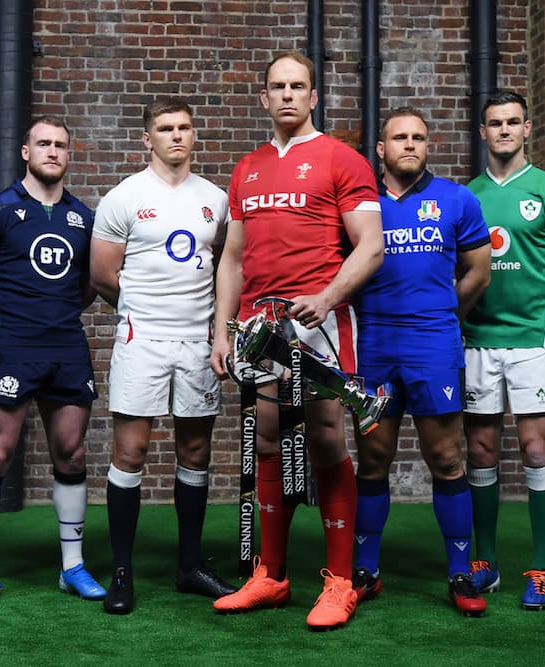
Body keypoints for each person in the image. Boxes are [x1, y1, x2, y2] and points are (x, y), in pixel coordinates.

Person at [210, 52, 385, 631]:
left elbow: (371, 246)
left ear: (313, 96)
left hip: (319, 322)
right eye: (277, 87)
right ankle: (272, 575)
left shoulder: (342, 159)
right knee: (266, 439)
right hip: (259, 326)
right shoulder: (247, 168)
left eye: (298, 86)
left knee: (326, 436)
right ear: (264, 98)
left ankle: (340, 582)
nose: (287, 95)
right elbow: (232, 259)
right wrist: (222, 329)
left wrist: (329, 297)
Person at [0, 116, 107, 616]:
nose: (52, 151)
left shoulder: (83, 218)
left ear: (69, 154)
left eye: (60, 145)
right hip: (11, 346)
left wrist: (52, 316)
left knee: (72, 454)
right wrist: (12, 321)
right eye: (43, 143)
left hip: (66, 347)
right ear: (25, 151)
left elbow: (88, 286)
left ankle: (72, 566)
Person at [90, 96, 236, 615]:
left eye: (184, 127)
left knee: (195, 452)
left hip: (197, 343)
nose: (177, 135)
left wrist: (217, 331)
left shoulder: (216, 200)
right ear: (147, 138)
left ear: (194, 135)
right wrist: (144, 313)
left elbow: (227, 267)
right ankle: (122, 573)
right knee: (130, 453)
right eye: (166, 128)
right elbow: (102, 275)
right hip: (143, 340)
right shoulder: (124, 197)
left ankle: (189, 566)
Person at [350, 107, 491, 617]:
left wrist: (441, 313)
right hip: (374, 347)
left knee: (447, 458)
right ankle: (366, 569)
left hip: (433, 346)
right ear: (381, 149)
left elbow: (478, 272)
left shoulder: (457, 199)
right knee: (373, 458)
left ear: (427, 146)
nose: (410, 144)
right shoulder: (360, 204)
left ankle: (460, 573)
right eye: (399, 137)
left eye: (419, 137)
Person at [463, 91, 545, 611]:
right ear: (483, 131)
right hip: (477, 339)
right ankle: (486, 563)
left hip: (533, 343)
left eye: (512, 122)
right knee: (480, 451)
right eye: (495, 123)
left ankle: (541, 571)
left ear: (527, 128)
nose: (504, 130)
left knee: (536, 449)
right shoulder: (467, 197)